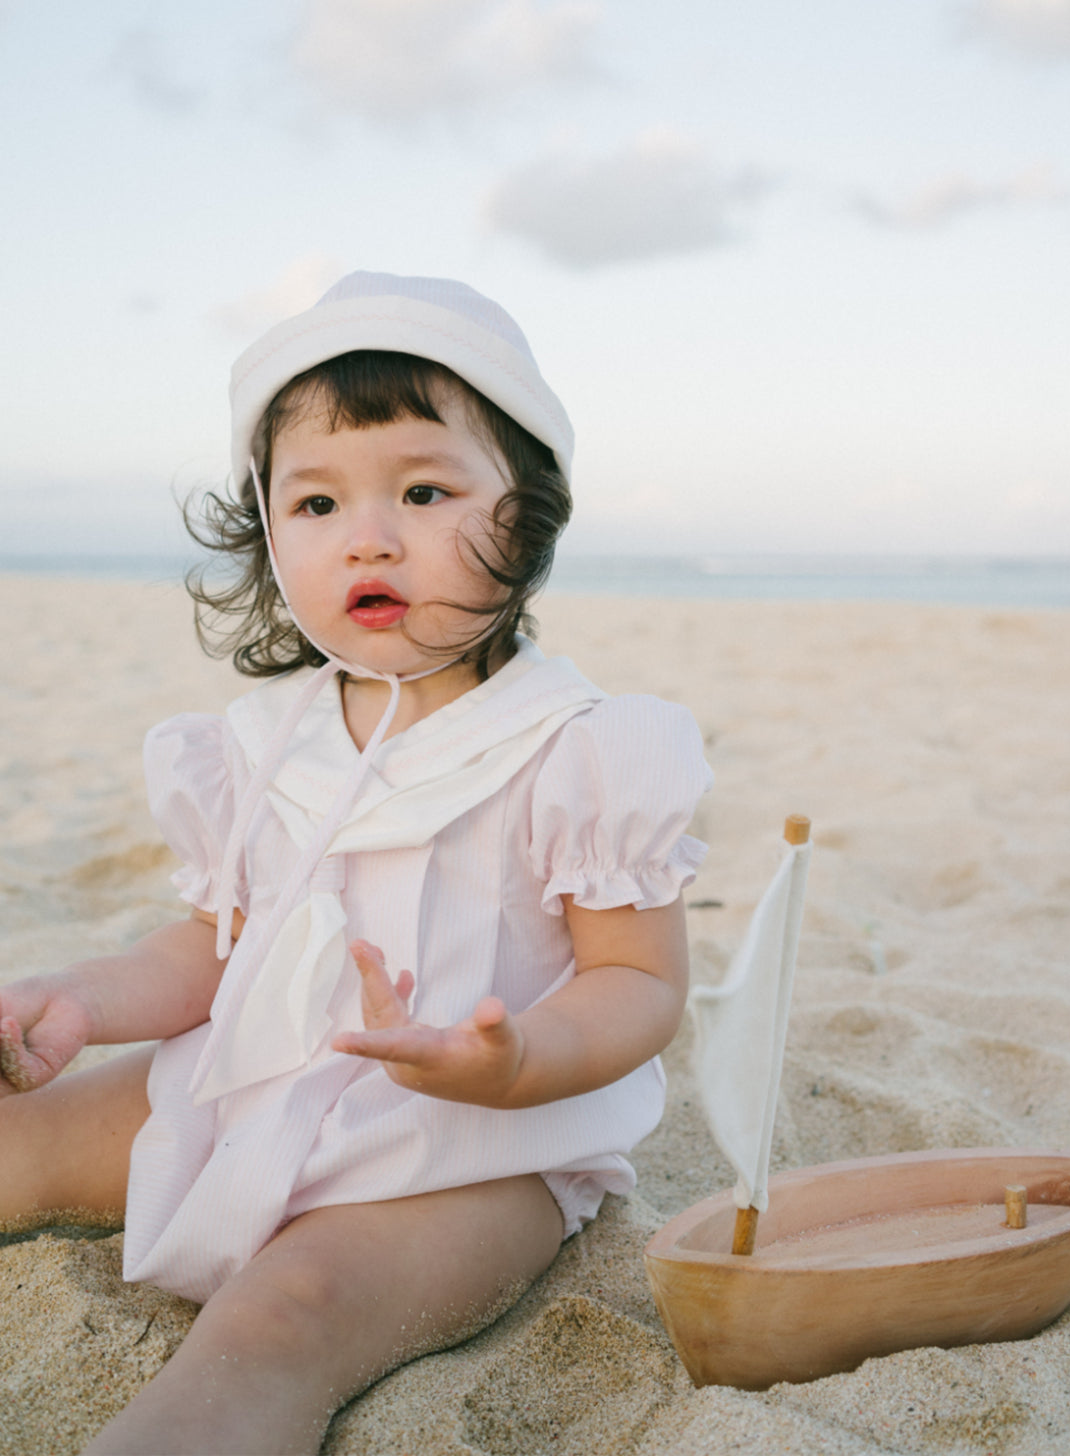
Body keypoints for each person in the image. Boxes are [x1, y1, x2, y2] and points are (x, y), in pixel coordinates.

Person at [0, 271, 711, 1455]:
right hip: (251, 1077)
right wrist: (85, 996)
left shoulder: (577, 749)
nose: (369, 535)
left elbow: (640, 983)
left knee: (284, 1315)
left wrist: (514, 1057)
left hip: (471, 1143)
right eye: (316, 503)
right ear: (269, 532)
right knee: (21, 1142)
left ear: (526, 514)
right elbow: (217, 947)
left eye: (425, 489)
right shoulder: (261, 740)